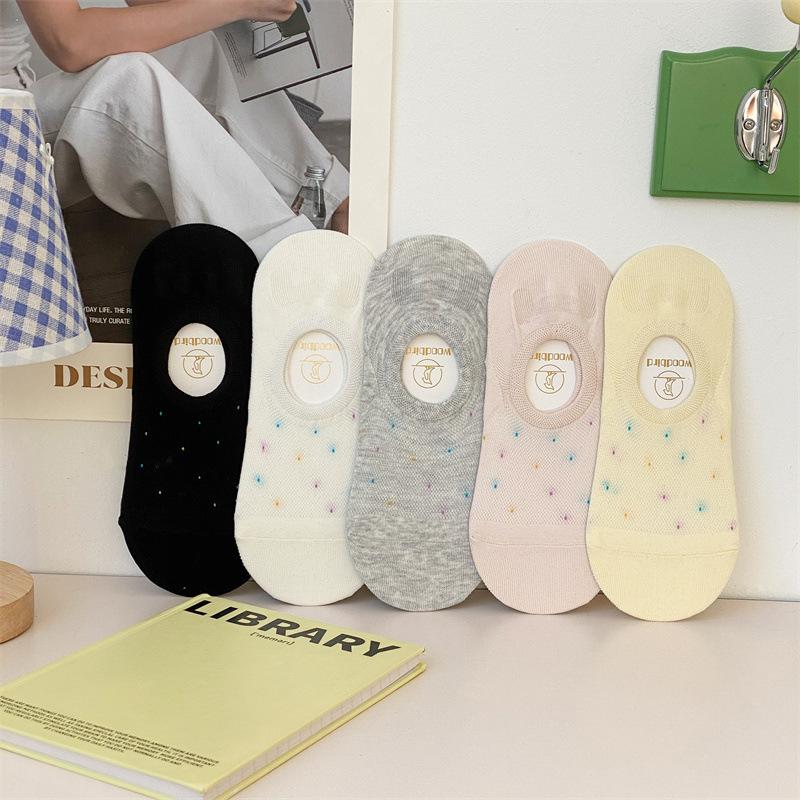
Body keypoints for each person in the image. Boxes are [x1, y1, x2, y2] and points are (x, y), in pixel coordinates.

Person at [2, 0, 350, 259]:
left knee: (196, 47)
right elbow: (70, 42)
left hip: (22, 107)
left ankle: (333, 201)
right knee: (127, 83)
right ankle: (288, 262)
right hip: (9, 128)